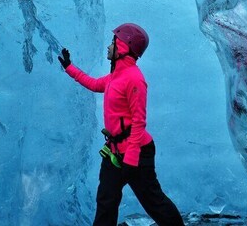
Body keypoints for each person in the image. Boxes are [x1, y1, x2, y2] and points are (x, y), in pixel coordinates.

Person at [58, 23, 184, 226]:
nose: (108, 47)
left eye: (113, 42)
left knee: (153, 202)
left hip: (137, 153)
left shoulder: (135, 79)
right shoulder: (115, 77)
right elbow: (93, 83)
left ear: (124, 47)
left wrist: (131, 159)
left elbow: (139, 121)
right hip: (114, 151)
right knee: (106, 201)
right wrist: (69, 68)